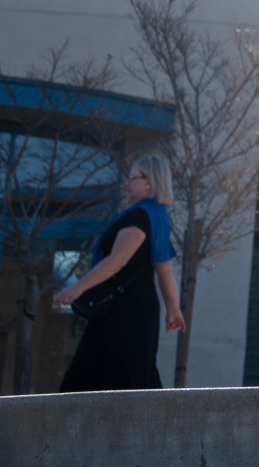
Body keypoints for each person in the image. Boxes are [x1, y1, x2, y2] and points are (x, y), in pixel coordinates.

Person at [56, 153, 185, 391]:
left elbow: (118, 259)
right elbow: (165, 270)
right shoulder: (159, 217)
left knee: (85, 383)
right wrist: (174, 309)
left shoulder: (139, 216)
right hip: (137, 311)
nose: (127, 183)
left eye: (133, 177)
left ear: (149, 181)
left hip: (122, 311)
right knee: (133, 378)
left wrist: (78, 287)